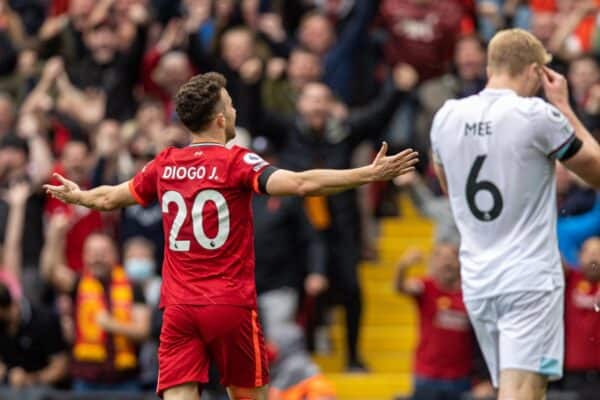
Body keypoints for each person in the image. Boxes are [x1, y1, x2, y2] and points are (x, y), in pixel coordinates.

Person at [43, 72, 419, 400]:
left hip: (178, 309)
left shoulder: (165, 164)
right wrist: (366, 175)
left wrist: (79, 196)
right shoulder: (237, 161)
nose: (237, 111)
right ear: (221, 119)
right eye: (232, 105)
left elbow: (109, 197)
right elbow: (302, 184)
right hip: (229, 305)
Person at [430, 28, 600, 400]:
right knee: (523, 391)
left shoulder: (446, 116)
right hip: (528, 278)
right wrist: (565, 107)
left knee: (515, 389)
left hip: (477, 279)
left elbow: (449, 187)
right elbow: (597, 171)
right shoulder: (535, 114)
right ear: (536, 71)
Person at [40, 218, 151, 392]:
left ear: (115, 254)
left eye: (103, 252)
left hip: (125, 381)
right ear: (84, 256)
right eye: (92, 252)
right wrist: (55, 236)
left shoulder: (132, 286)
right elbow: (49, 272)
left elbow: (143, 331)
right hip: (86, 380)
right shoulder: (77, 282)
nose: (98, 258)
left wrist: (111, 325)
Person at [394, 245, 472, 400]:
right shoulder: (426, 287)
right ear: (434, 263)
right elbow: (401, 288)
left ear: (460, 263)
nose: (446, 263)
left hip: (460, 377)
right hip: (427, 376)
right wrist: (402, 266)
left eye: (451, 259)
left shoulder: (469, 293)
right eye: (441, 259)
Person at [562, 237, 600, 400]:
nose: (593, 257)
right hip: (573, 374)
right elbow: (553, 259)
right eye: (589, 252)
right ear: (579, 256)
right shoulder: (570, 279)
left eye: (598, 253)